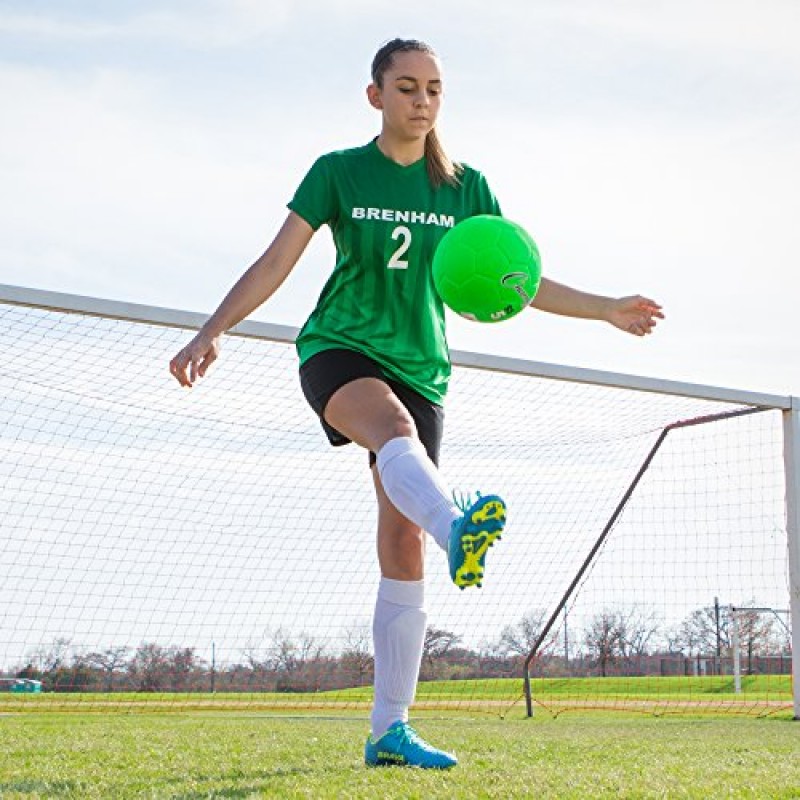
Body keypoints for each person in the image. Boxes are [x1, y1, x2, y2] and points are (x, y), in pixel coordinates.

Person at [169, 37, 663, 769]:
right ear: (375, 96)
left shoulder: (466, 188)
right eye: (406, 87)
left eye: (433, 88)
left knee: (402, 544)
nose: (421, 100)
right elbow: (277, 260)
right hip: (339, 349)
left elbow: (516, 283)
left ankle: (387, 732)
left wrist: (606, 308)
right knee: (391, 431)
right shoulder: (338, 172)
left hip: (423, 371)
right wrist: (213, 330)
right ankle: (457, 522)